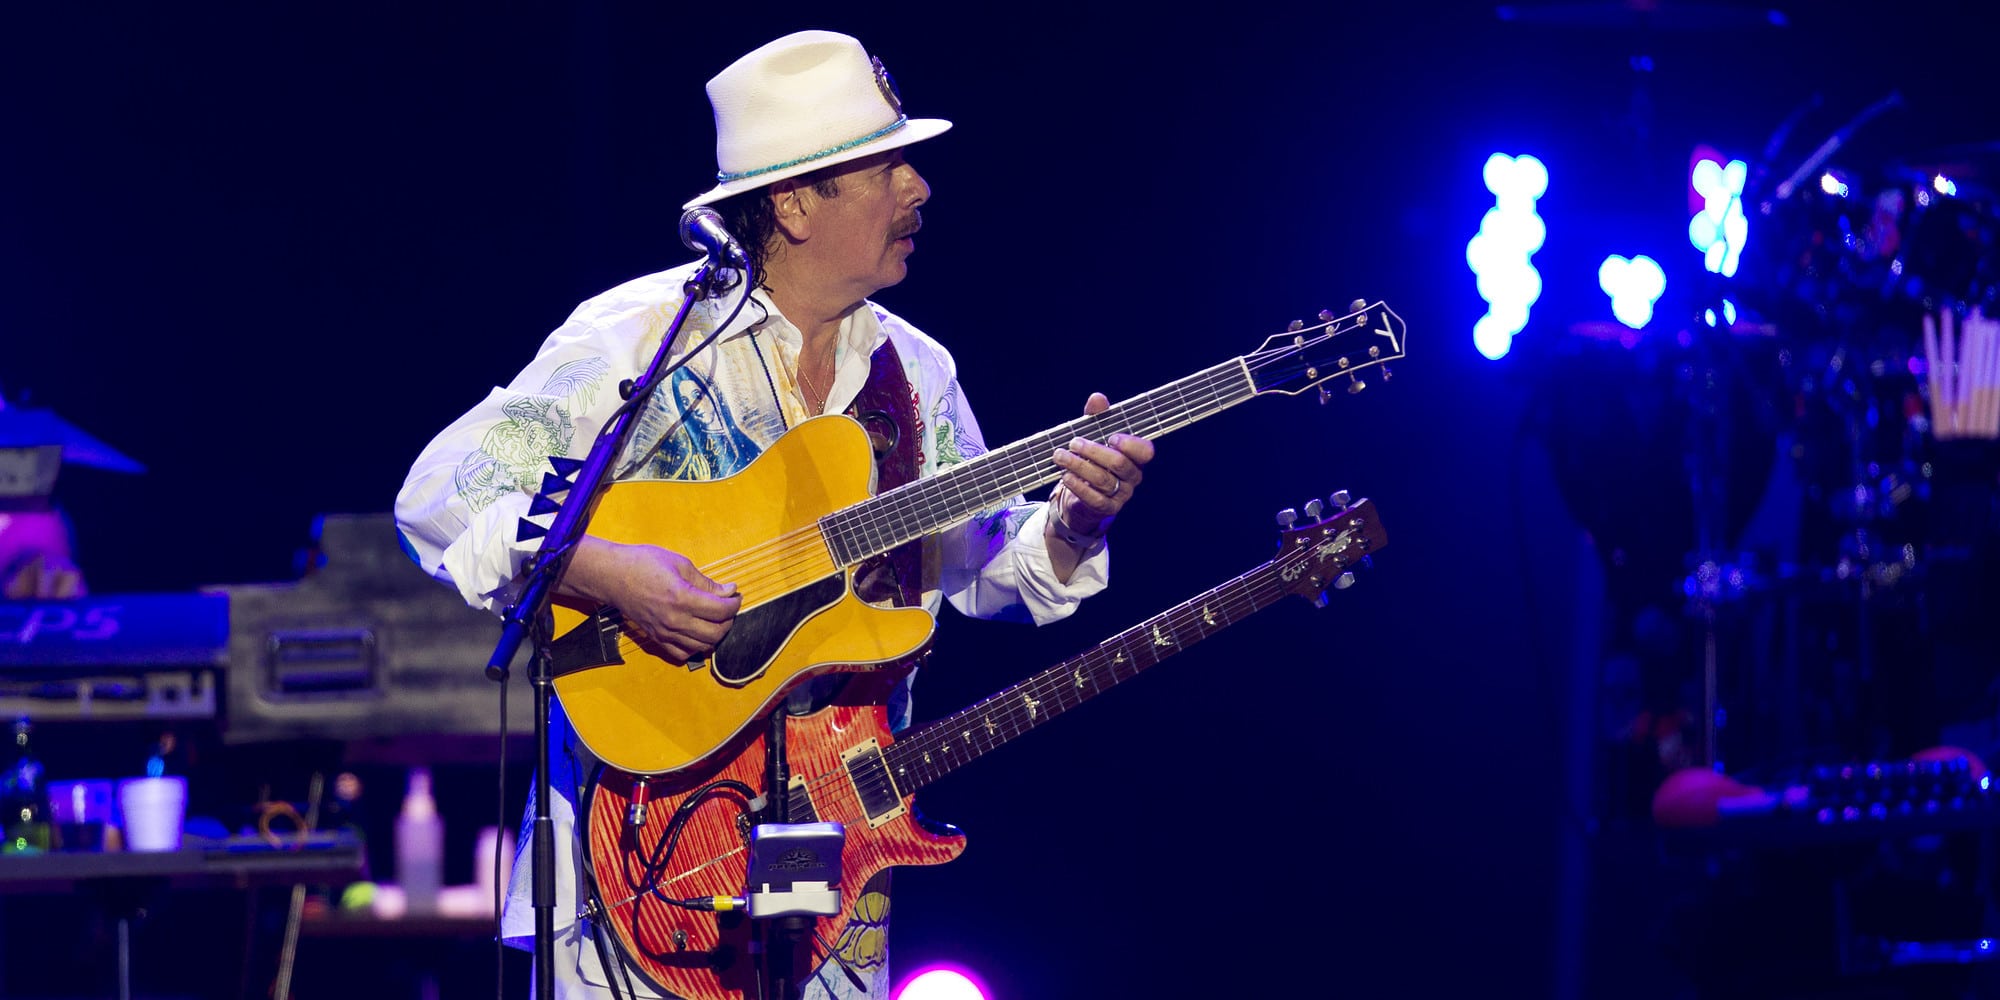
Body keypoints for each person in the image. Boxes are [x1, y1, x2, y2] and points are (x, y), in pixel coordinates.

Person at [395, 29, 1155, 999]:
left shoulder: (917, 374)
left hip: (836, 857)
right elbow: (442, 493)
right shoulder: (638, 341)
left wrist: (1076, 522)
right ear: (794, 203)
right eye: (886, 168)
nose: (919, 188)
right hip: (635, 863)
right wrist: (607, 571)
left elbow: (991, 565)